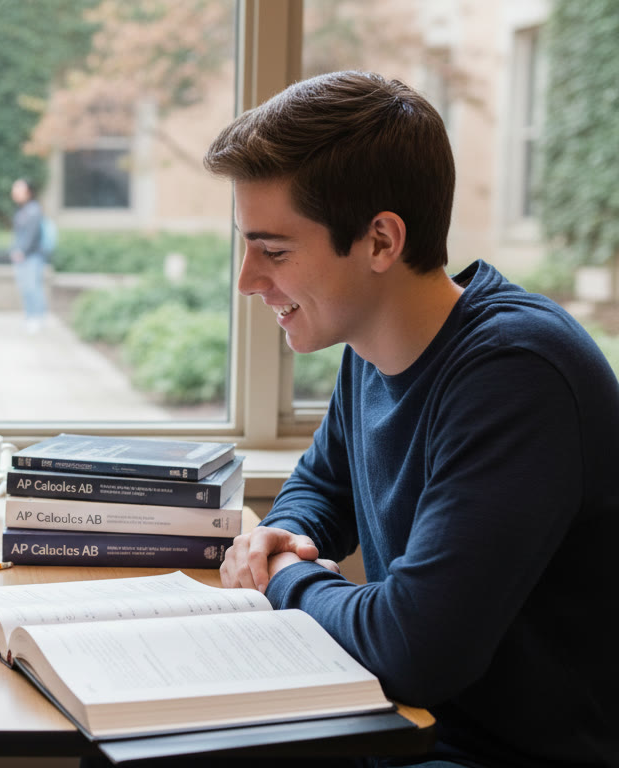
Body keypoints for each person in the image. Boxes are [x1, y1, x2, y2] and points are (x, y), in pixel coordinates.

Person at [207, 72, 618, 766]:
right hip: (405, 726)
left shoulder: (518, 374)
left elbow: (416, 649)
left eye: (273, 251)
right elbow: (322, 488)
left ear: (379, 242)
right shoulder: (373, 344)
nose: (247, 279)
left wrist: (283, 576)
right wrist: (292, 533)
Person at [9, 178, 47, 333]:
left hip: (32, 257)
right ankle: (29, 316)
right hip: (21, 257)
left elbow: (32, 235)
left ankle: (37, 317)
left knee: (33, 287)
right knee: (25, 288)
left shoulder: (34, 210)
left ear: (28, 192)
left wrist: (22, 251)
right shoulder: (21, 210)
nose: (15, 192)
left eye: (19, 189)